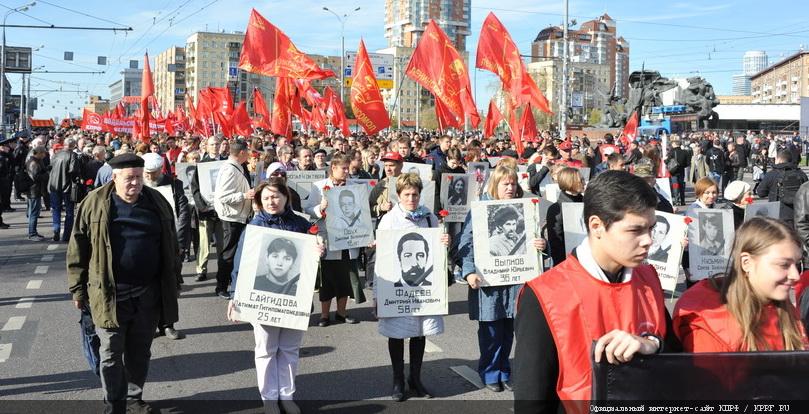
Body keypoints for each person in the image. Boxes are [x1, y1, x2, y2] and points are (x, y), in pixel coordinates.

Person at [514, 170, 680, 413]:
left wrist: (652, 344)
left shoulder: (649, 278)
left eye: (651, 229)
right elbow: (532, 400)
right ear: (597, 226)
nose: (648, 241)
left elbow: (676, 358)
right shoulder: (544, 295)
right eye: (635, 230)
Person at [68, 153, 181, 414]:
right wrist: (77, 288)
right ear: (114, 177)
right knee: (110, 354)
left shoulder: (157, 202)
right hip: (109, 294)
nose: (135, 184)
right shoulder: (94, 204)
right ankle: (115, 402)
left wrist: (174, 278)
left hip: (148, 294)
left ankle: (133, 398)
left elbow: (171, 243)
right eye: (129, 179)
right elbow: (77, 247)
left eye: (139, 178)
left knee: (139, 351)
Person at [228, 178, 324, 414]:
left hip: (294, 296)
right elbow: (239, 264)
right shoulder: (253, 227)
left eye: (276, 196)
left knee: (290, 348)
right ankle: (269, 397)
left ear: (285, 198)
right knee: (266, 349)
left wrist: (318, 248)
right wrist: (234, 296)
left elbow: (310, 256)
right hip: (263, 298)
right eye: (267, 197)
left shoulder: (300, 223)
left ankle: (287, 395)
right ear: (260, 201)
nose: (272, 201)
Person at [458, 165, 547, 393]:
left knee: (509, 330)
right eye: (505, 184)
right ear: (495, 184)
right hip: (488, 281)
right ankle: (489, 371)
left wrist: (541, 246)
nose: (510, 188)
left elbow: (534, 243)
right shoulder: (480, 209)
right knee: (491, 331)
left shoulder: (524, 208)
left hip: (516, 281)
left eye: (513, 183)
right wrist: (468, 271)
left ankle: (504, 370)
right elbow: (465, 244)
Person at [674, 218, 808, 352]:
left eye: (796, 264)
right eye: (784, 265)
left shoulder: (780, 304)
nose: (796, 276)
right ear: (746, 262)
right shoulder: (711, 328)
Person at [374, 172, 449, 401]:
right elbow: (383, 259)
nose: (411, 199)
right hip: (397, 287)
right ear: (398, 195)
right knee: (397, 333)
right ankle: (398, 380)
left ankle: (415, 378)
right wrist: (378, 294)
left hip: (423, 286)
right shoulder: (390, 219)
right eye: (406, 194)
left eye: (415, 194)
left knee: (420, 332)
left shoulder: (428, 217)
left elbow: (436, 252)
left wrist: (444, 242)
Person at [305, 154, 365, 326]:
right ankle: (324, 315)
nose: (347, 172)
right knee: (328, 278)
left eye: (348, 168)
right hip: (328, 239)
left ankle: (341, 312)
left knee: (345, 278)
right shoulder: (319, 187)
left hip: (348, 238)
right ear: (334, 168)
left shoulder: (355, 187)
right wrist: (319, 208)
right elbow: (308, 209)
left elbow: (362, 212)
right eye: (343, 168)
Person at [141, 153, 189, 341]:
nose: (150, 177)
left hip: (169, 243)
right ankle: (150, 324)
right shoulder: (139, 185)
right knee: (147, 288)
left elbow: (183, 214)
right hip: (146, 244)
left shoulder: (174, 186)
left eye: (153, 173)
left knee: (169, 285)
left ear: (161, 170)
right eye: (147, 173)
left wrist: (179, 242)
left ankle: (168, 324)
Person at [213, 139, 255, 299]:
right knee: (228, 253)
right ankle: (221, 287)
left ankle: (229, 283)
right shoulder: (230, 170)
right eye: (247, 151)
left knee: (234, 252)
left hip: (237, 215)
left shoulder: (236, 167)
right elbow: (223, 196)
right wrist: (245, 195)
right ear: (242, 153)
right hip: (231, 217)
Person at [756, 149, 807, 227]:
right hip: (798, 214)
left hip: (776, 214)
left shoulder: (771, 174)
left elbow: (761, 193)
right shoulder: (801, 174)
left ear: (778, 159)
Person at [546, 167, 585, 266]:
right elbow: (555, 242)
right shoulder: (556, 209)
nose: (584, 183)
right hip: (568, 263)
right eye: (581, 180)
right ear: (570, 182)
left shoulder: (588, 202)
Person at [48, 137, 81, 242]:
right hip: (66, 186)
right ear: (73, 145)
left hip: (54, 185)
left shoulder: (56, 154)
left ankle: (56, 229)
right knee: (69, 211)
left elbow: (50, 167)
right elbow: (73, 170)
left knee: (56, 209)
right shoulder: (72, 155)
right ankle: (66, 235)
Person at [25, 146, 49, 241]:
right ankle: (32, 233)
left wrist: (46, 169)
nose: (44, 155)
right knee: (34, 213)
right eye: (43, 153)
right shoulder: (33, 163)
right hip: (34, 190)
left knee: (33, 212)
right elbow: (35, 177)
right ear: (38, 153)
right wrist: (47, 174)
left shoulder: (36, 161)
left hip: (35, 190)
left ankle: (33, 232)